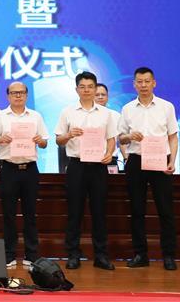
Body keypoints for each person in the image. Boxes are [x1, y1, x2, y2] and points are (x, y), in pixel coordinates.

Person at [54, 71, 118, 270]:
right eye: (82, 87)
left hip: (98, 167)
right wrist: (68, 135)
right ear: (76, 89)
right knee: (74, 212)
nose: (87, 90)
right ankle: (73, 254)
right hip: (76, 166)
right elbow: (58, 140)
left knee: (99, 211)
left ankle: (101, 255)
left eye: (90, 86)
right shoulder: (67, 112)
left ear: (95, 88)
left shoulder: (106, 113)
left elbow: (111, 139)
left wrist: (109, 154)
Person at [118, 67, 179, 270]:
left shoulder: (166, 107)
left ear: (154, 83)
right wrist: (129, 136)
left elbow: (173, 136)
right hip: (136, 160)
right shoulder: (127, 108)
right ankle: (140, 254)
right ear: (134, 84)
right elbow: (121, 138)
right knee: (137, 210)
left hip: (160, 159)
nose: (143, 85)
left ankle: (168, 255)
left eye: (147, 81)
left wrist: (172, 160)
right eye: (139, 82)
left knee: (165, 210)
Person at [0, 81, 48, 268]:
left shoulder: (36, 116)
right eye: (14, 93)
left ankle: (31, 255)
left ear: (26, 95)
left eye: (21, 92)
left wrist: (40, 140)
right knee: (8, 214)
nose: (18, 96)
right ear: (8, 96)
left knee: (30, 214)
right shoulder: (0, 116)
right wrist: (1, 139)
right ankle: (9, 254)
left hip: (30, 169)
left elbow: (45, 143)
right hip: (9, 169)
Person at [95, 83, 127, 167]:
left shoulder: (116, 115)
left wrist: (126, 159)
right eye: (97, 95)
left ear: (107, 97)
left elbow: (121, 141)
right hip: (89, 159)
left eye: (103, 95)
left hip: (111, 160)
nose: (100, 97)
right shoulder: (85, 115)